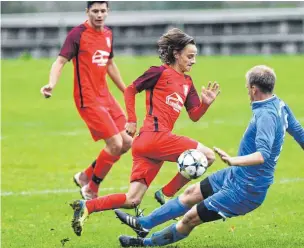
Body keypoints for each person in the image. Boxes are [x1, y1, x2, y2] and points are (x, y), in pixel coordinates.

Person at [114, 65, 304, 247]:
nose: (247, 91)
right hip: (237, 175)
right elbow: (298, 130)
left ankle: (145, 244)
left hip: (247, 190)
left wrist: (234, 160)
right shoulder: (278, 104)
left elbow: (262, 155)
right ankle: (144, 224)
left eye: (247, 88)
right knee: (191, 193)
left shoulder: (266, 115)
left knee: (190, 218)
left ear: (253, 89)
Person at [70, 28, 221, 237]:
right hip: (155, 136)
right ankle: (167, 194)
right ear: (176, 53)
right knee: (208, 156)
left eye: (195, 56)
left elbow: (194, 115)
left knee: (133, 199)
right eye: (190, 56)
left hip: (148, 145)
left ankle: (87, 206)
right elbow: (131, 89)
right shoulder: (158, 72)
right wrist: (131, 120)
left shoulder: (187, 83)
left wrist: (205, 104)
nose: (193, 61)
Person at [40, 1, 132, 200]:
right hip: (87, 99)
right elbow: (60, 61)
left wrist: (125, 90)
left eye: (103, 11)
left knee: (126, 142)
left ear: (108, 12)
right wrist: (51, 84)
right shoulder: (77, 34)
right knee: (115, 144)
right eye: (95, 11)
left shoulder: (107, 34)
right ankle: (91, 188)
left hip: (106, 96)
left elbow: (109, 64)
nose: (99, 15)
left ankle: (85, 176)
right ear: (87, 12)